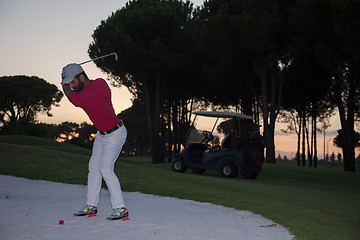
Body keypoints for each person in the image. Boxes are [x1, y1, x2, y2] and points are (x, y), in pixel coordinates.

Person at [61, 63, 129, 221]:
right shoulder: (101, 82)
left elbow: (68, 93)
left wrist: (63, 81)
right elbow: (87, 86)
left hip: (116, 134)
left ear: (82, 77)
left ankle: (121, 209)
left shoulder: (83, 98)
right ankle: (91, 206)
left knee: (105, 169)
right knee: (93, 168)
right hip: (102, 134)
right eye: (69, 82)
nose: (71, 85)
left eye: (73, 82)